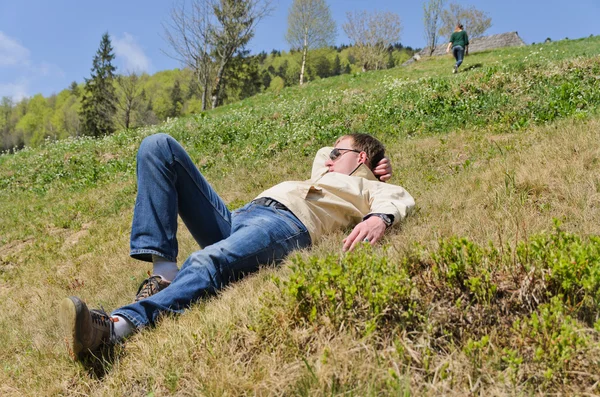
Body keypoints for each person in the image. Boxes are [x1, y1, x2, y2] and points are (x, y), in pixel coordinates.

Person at [60, 132, 415, 360]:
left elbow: (399, 199)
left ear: (362, 160)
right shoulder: (323, 169)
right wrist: (350, 153)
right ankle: (164, 273)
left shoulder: (370, 189)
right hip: (238, 217)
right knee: (159, 147)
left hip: (285, 225)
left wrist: (377, 217)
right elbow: (327, 151)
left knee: (208, 260)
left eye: (338, 152)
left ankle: (116, 327)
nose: (327, 156)